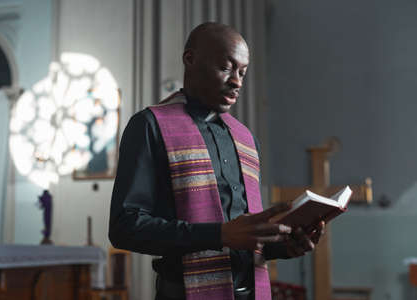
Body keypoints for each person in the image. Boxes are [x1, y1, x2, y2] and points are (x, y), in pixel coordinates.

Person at [109, 22, 324, 300]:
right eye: (226, 68)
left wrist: (286, 247)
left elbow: (243, 240)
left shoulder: (246, 138)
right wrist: (218, 235)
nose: (237, 81)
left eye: (242, 72)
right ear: (190, 59)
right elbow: (125, 227)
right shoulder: (150, 125)